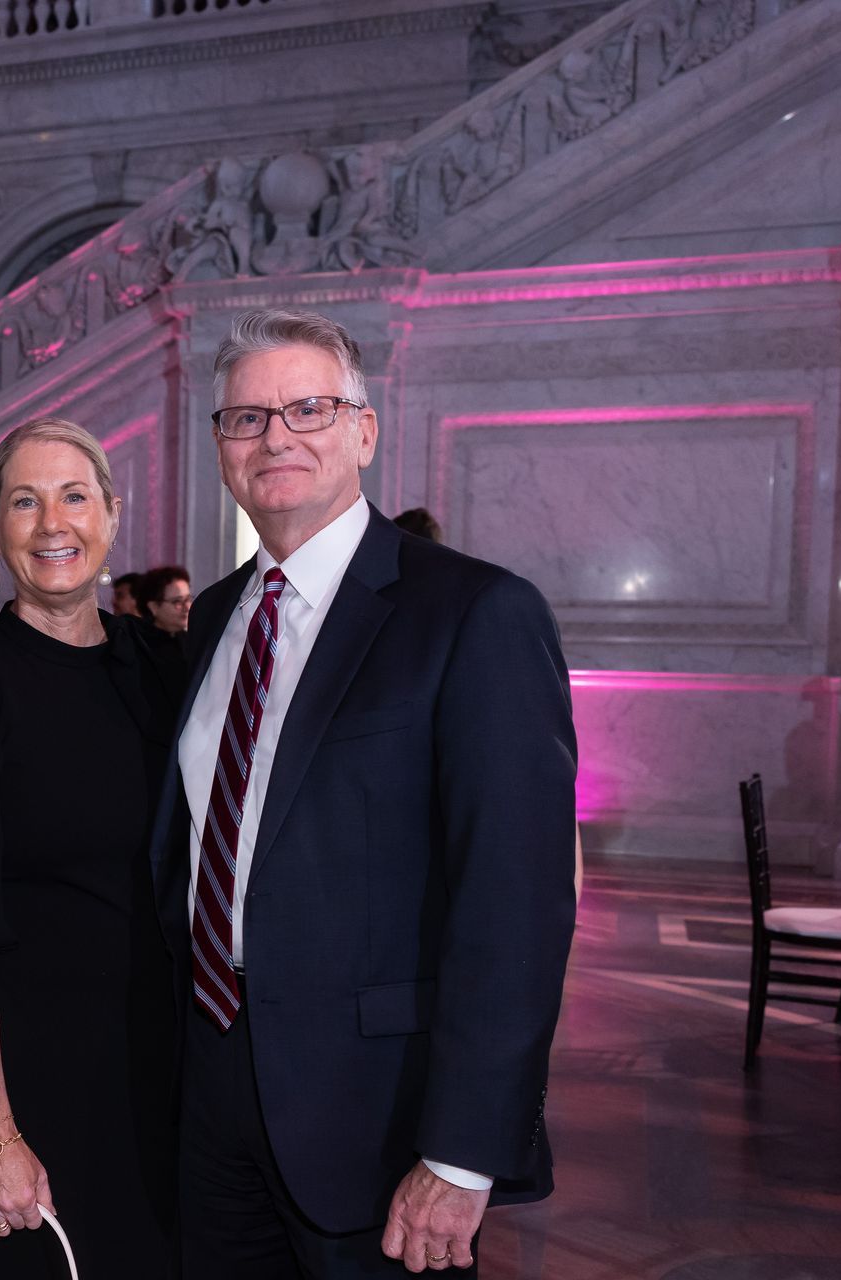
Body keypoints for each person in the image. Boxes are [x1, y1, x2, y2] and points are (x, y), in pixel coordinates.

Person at [161, 308, 576, 1276]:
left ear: (364, 429)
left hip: (380, 1118)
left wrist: (463, 1149)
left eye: (309, 407)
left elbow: (515, 903)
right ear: (221, 443)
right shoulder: (215, 615)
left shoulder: (473, 611)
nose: (278, 437)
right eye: (247, 417)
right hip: (212, 1084)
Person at [0, 418, 181, 1278]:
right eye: (25, 501)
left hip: (162, 1075)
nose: (53, 523)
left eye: (74, 496)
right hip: (25, 1082)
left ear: (113, 515)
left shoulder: (164, 667)